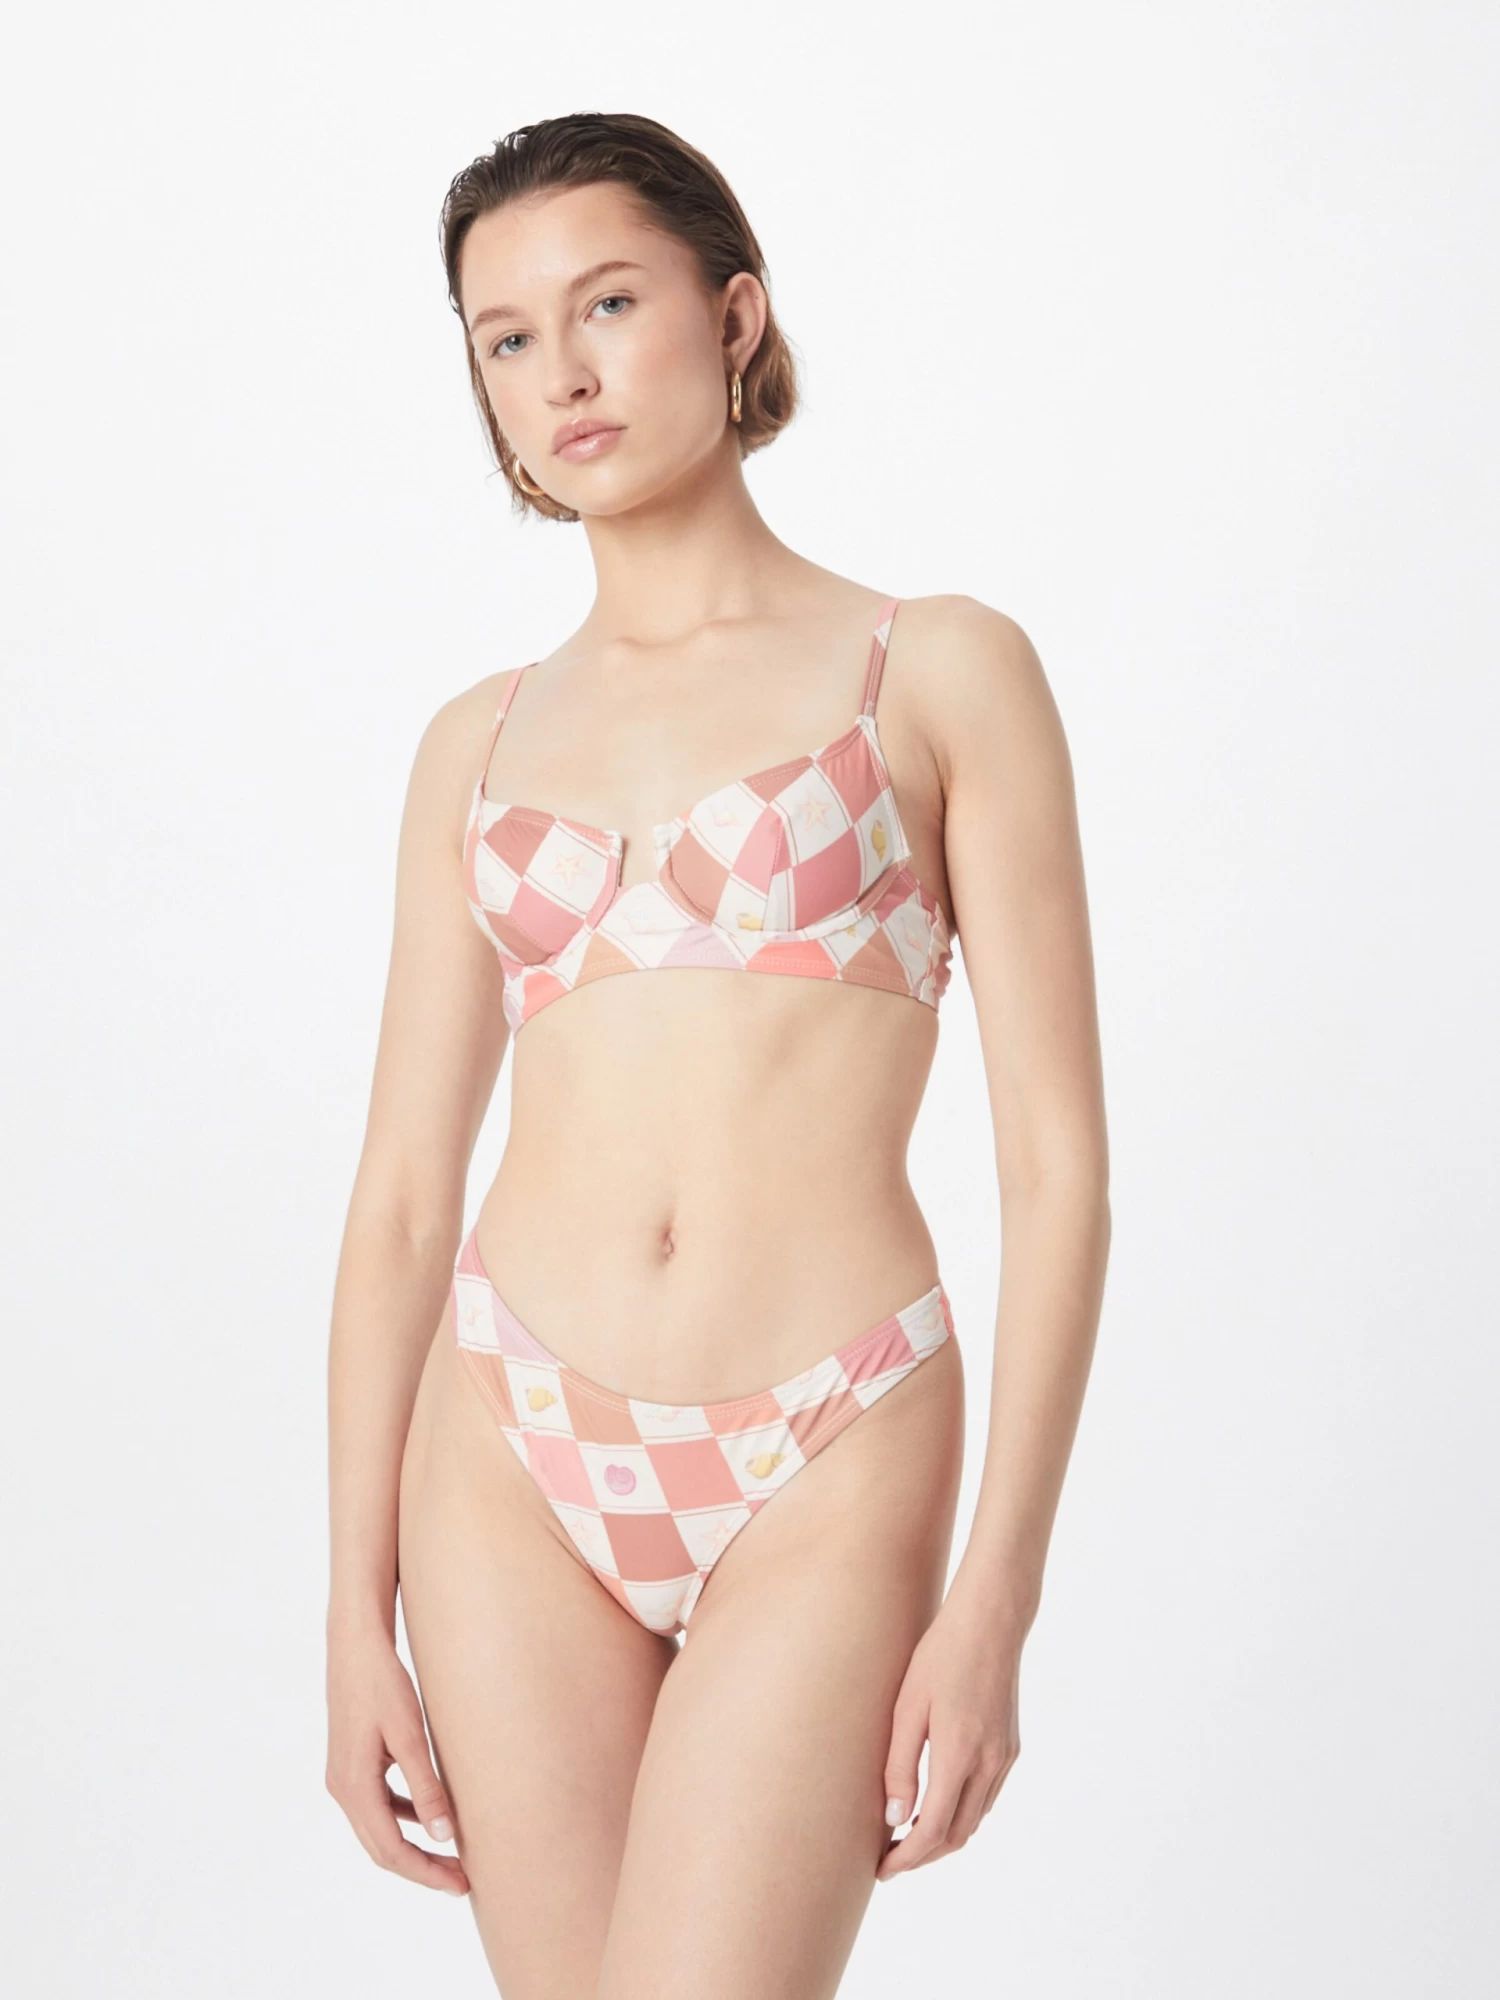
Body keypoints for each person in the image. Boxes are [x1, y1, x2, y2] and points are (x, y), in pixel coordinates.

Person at [324, 110, 1111, 1998]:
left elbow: (1058, 1169)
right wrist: (351, 1613)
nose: (563, 373)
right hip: (508, 1443)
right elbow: (406, 1195)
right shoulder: (474, 743)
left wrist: (997, 1593)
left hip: (826, 1440)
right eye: (508, 337)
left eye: (609, 304)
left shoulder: (938, 668)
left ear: (736, 315)